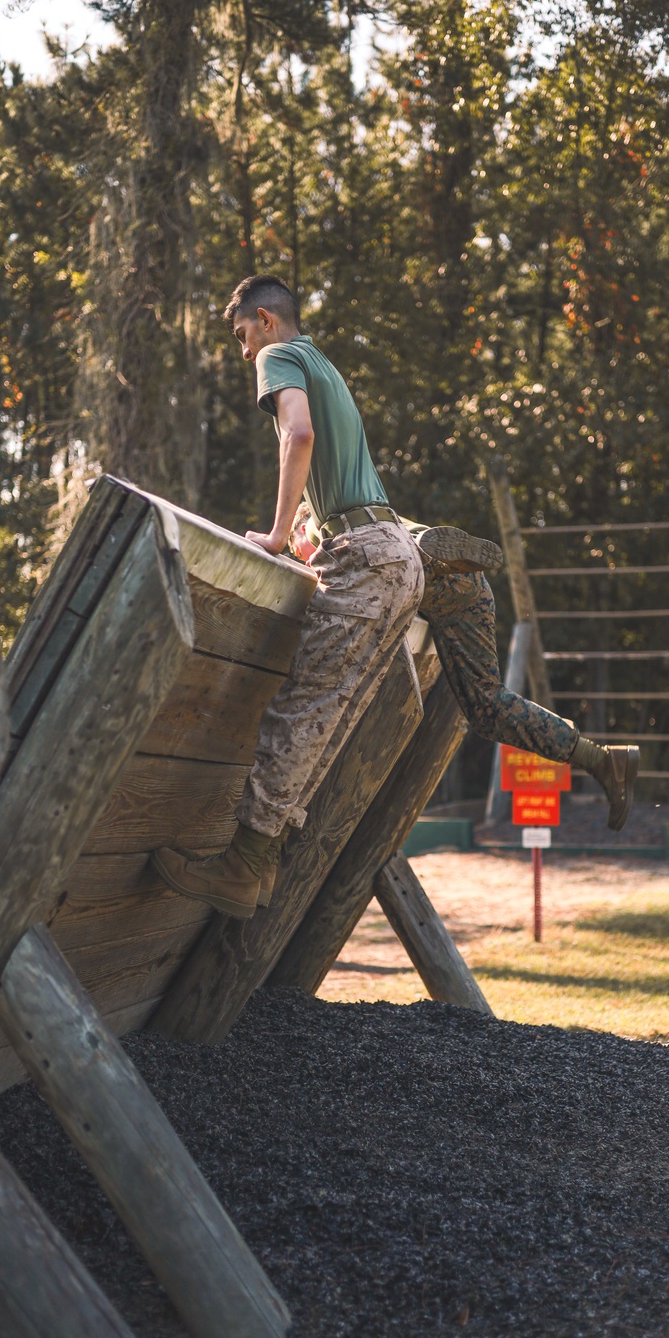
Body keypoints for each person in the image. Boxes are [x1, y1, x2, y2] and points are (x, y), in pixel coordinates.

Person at [152, 275, 425, 918]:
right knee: (329, 716)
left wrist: (276, 535)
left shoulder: (281, 358)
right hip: (393, 555)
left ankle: (244, 866)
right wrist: (304, 535)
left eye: (243, 335)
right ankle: (264, 862)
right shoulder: (325, 364)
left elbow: (295, 436)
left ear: (267, 321)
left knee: (300, 712)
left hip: (365, 558)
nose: (245, 353)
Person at [290, 505, 639, 831]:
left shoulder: (323, 525)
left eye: (296, 551)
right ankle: (602, 760)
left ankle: (431, 558)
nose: (302, 562)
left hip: (409, 571)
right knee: (487, 708)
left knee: (378, 567)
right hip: (472, 591)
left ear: (301, 529)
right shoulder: (374, 515)